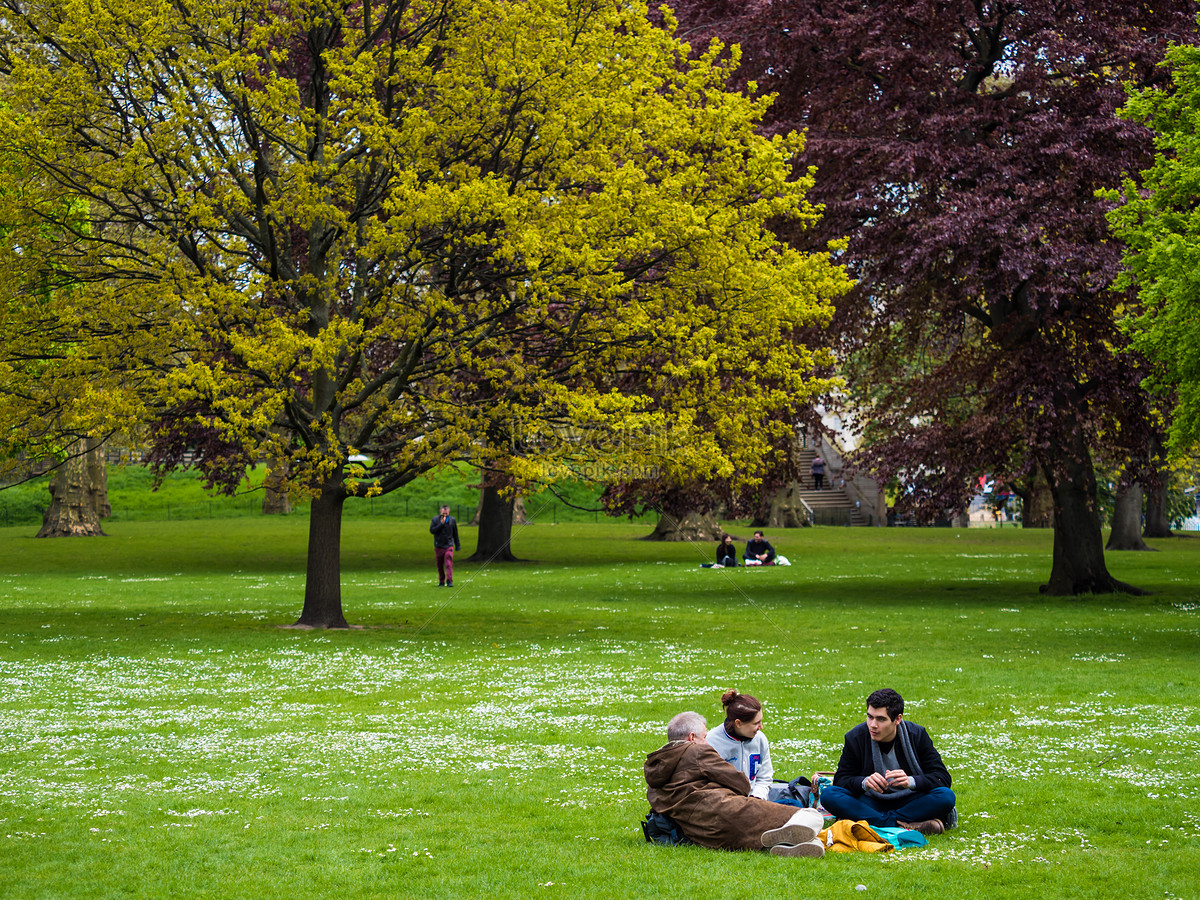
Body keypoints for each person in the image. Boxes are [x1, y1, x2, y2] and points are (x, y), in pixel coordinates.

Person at [644, 711, 825, 857]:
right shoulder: (697, 751)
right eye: (704, 736)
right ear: (692, 737)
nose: (707, 742)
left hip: (702, 833)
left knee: (754, 837)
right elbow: (740, 784)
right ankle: (801, 839)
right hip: (728, 811)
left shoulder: (656, 770)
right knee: (810, 815)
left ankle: (785, 847)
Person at [820, 688, 956, 835]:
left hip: (910, 801)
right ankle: (901, 825)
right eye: (870, 717)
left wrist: (911, 781)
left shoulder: (917, 735)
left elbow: (942, 777)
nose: (873, 725)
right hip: (871, 801)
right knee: (829, 794)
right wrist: (864, 782)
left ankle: (874, 822)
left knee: (946, 796)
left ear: (898, 719)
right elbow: (842, 779)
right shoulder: (855, 737)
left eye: (881, 719)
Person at [705, 690, 773, 800]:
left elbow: (765, 778)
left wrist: (756, 798)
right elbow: (708, 785)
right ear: (738, 723)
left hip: (755, 802)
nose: (761, 727)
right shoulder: (712, 742)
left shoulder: (760, 739)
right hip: (725, 804)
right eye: (756, 723)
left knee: (793, 805)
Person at [429, 504, 460, 587]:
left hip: (449, 545)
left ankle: (449, 581)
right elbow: (432, 531)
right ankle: (441, 581)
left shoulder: (452, 520)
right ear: (440, 512)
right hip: (438, 545)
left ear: (448, 512)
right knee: (440, 565)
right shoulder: (435, 520)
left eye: (446, 513)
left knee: (448, 563)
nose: (445, 515)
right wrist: (441, 524)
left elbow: (455, 533)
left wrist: (457, 545)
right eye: (443, 513)